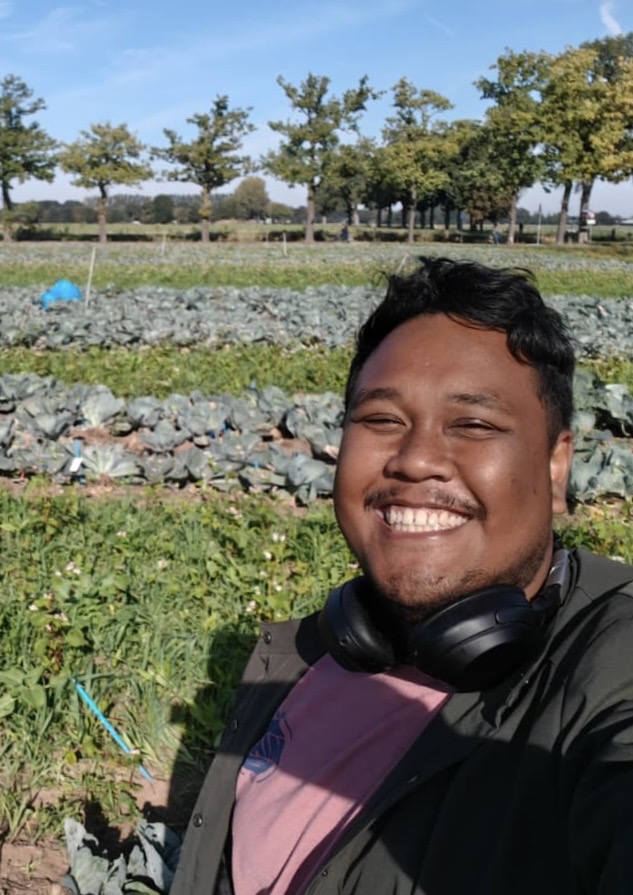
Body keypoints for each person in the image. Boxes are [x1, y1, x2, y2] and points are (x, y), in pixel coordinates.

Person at [171, 256, 633, 895]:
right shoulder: (304, 654)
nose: (415, 460)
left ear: (557, 468)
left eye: (473, 425)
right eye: (382, 421)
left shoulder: (613, 667)